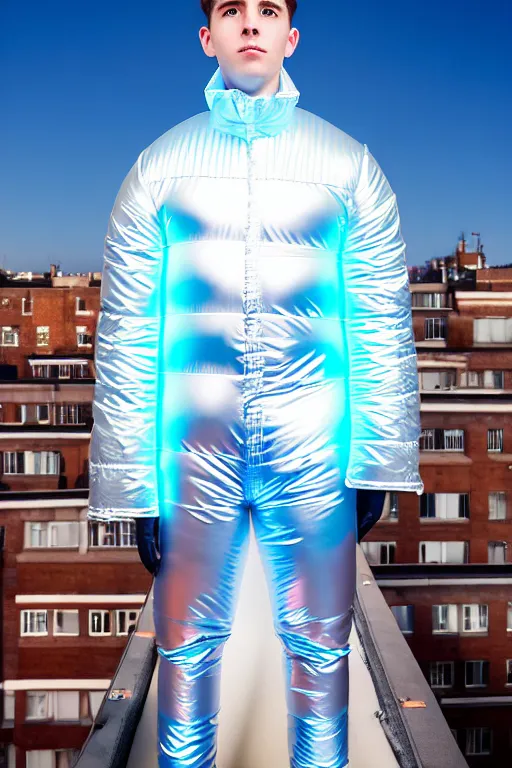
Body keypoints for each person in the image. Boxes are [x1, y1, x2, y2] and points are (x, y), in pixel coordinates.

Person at [87, 1, 424, 766]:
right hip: (192, 455)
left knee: (320, 649)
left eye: (267, 9)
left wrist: (374, 461)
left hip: (314, 452)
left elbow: (379, 321)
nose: (250, 23)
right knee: (185, 651)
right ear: (206, 36)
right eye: (232, 10)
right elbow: (128, 336)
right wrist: (137, 486)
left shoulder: (348, 167)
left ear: (289, 36)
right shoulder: (157, 168)